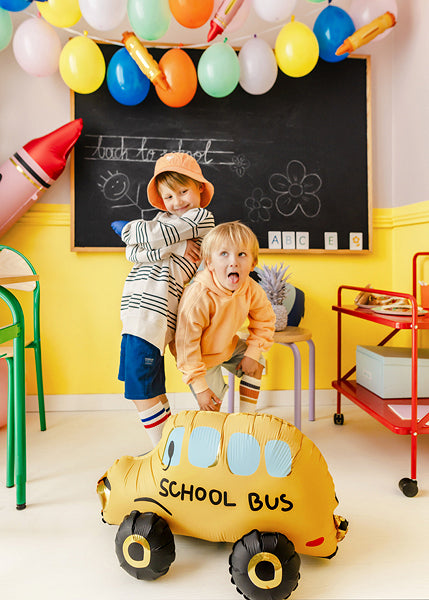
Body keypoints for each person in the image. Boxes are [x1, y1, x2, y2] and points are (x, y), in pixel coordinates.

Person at [112, 152, 215, 446]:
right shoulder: (164, 221)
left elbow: (152, 236)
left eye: (184, 191)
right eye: (169, 196)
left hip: (154, 314)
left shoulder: (200, 217)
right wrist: (176, 249)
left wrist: (129, 229)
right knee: (149, 384)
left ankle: (164, 451)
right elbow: (132, 253)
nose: (178, 201)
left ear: (198, 188)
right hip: (136, 312)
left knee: (139, 387)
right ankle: (172, 444)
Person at [175, 221, 276, 413]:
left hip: (226, 346)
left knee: (256, 364)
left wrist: (252, 354)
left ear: (253, 263)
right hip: (199, 356)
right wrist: (200, 387)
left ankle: (246, 417)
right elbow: (186, 346)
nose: (233, 262)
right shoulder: (198, 296)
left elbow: (265, 321)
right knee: (211, 404)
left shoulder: (251, 289)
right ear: (209, 262)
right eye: (224, 254)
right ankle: (212, 434)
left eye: (242, 254)